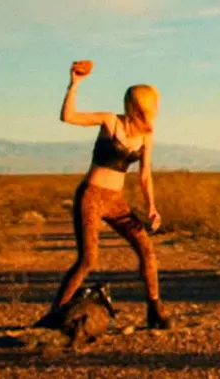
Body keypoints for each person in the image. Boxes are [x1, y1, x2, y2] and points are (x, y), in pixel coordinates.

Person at [33, 61, 171, 330]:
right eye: (153, 103)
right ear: (141, 104)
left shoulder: (146, 135)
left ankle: (155, 309)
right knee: (88, 259)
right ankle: (54, 316)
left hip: (116, 201)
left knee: (146, 249)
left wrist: (152, 207)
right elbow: (69, 117)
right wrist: (74, 85)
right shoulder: (110, 121)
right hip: (91, 197)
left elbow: (145, 175)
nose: (156, 108)